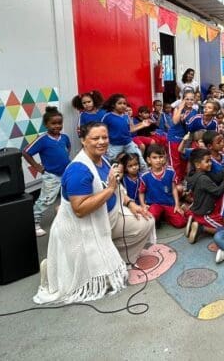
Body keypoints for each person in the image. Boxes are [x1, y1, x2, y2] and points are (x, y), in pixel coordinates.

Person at [34, 122, 153, 305]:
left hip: (108, 219)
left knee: (146, 221)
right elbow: (80, 210)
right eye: (95, 138)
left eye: (104, 137)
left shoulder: (102, 159)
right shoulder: (79, 169)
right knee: (108, 284)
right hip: (85, 230)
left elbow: (117, 188)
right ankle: (53, 269)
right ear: (83, 140)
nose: (101, 142)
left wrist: (131, 203)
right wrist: (110, 189)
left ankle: (117, 259)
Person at [22, 106, 71, 237]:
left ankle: (64, 218)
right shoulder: (42, 140)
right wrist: (37, 166)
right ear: (46, 124)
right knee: (46, 199)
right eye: (53, 123)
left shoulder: (65, 138)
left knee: (68, 197)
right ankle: (34, 222)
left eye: (59, 123)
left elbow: (68, 149)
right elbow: (26, 152)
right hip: (51, 176)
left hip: (66, 173)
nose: (57, 126)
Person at [185, 148, 224, 244]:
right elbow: (218, 192)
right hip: (205, 213)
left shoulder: (195, 174)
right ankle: (202, 228)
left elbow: (217, 177)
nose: (210, 163)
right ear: (197, 165)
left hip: (200, 208)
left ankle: (192, 218)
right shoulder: (203, 179)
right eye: (207, 161)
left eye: (210, 161)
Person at [140, 145, 186, 228]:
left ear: (165, 158)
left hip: (168, 203)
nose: (158, 160)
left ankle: (165, 216)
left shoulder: (170, 171)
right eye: (154, 157)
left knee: (181, 223)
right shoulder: (145, 176)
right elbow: (141, 192)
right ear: (148, 160)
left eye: (161, 157)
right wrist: (143, 205)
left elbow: (174, 188)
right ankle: (159, 217)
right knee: (151, 217)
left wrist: (177, 205)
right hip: (154, 204)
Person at [101, 94, 148, 170]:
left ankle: (144, 176)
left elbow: (131, 129)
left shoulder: (126, 116)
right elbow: (102, 131)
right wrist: (105, 144)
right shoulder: (107, 117)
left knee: (140, 159)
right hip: (114, 145)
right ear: (113, 105)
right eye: (119, 103)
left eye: (124, 103)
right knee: (110, 163)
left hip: (128, 143)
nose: (123, 105)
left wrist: (142, 124)